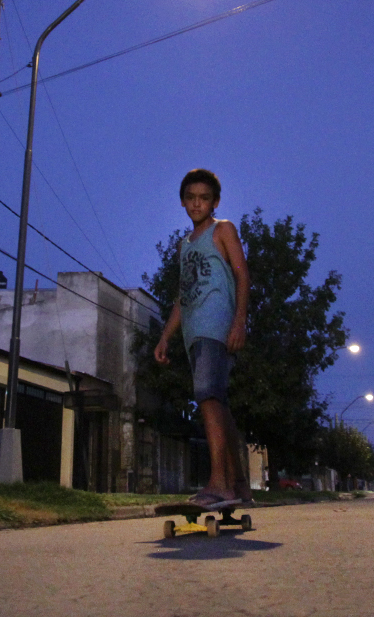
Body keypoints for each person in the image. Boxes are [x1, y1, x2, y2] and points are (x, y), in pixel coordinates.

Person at [154, 169, 251, 508]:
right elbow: (183, 296)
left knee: (208, 396)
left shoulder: (222, 230)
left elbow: (242, 275)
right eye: (191, 198)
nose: (197, 203)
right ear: (183, 202)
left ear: (215, 202)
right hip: (194, 333)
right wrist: (166, 336)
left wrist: (239, 321)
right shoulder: (185, 246)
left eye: (204, 198)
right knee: (216, 402)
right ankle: (238, 486)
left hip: (218, 325)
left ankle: (218, 484)